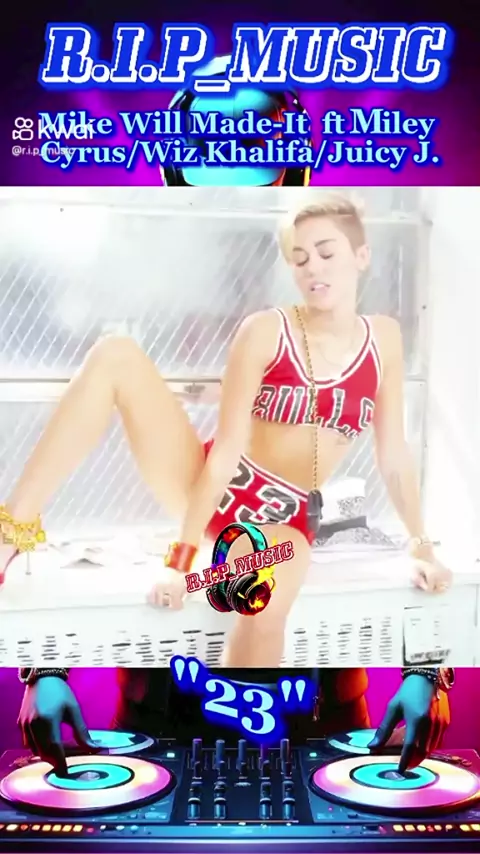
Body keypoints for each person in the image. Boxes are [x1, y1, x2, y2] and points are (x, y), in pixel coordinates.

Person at [0, 194, 452, 667]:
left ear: (361, 256)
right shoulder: (266, 331)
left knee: (265, 606)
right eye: (299, 259)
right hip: (206, 486)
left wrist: (421, 545)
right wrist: (180, 560)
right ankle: (11, 530)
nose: (312, 268)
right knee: (116, 355)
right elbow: (225, 452)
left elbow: (393, 455)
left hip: (278, 523)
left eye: (326, 253)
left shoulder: (384, 340)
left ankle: (241, 713)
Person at [16, 665, 453, 779]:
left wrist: (429, 666)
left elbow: (418, 538)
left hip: (323, 723)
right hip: (157, 721)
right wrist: (45, 667)